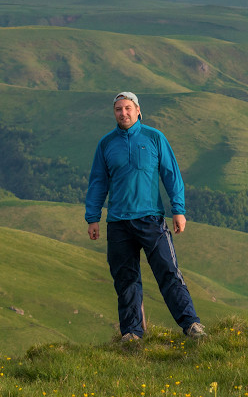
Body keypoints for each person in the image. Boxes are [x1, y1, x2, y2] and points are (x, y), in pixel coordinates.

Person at [84, 91, 206, 341]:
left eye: (128, 108)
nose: (123, 113)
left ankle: (191, 325)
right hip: (118, 222)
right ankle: (132, 333)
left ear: (138, 110)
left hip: (151, 219)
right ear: (114, 113)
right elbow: (98, 182)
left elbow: (171, 174)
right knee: (125, 279)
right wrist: (92, 218)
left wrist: (178, 210)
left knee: (168, 272)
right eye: (118, 109)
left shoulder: (154, 137)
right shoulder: (106, 144)